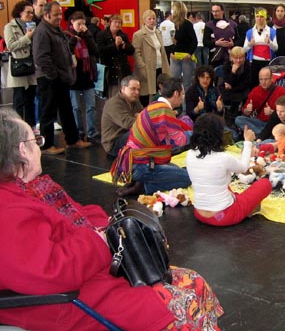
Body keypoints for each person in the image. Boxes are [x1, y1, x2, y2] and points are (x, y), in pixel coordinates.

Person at [0, 108, 223, 330]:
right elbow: (49, 272)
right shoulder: (8, 209)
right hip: (69, 301)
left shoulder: (34, 187)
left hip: (90, 276)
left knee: (196, 282)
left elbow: (80, 213)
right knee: (182, 305)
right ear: (22, 150)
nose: (40, 146)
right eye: (36, 140)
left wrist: (104, 229)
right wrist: (99, 239)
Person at [187, 113, 272, 227]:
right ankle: (246, 209)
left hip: (200, 213)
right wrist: (247, 142)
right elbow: (243, 167)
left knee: (219, 183)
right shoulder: (223, 158)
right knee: (265, 183)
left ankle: (244, 206)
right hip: (224, 216)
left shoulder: (190, 155)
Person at [111, 77, 192, 196]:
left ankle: (138, 180)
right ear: (176, 93)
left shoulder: (152, 106)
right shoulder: (164, 110)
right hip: (143, 164)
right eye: (182, 94)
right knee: (187, 178)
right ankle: (144, 186)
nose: (183, 97)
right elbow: (179, 141)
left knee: (175, 168)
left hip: (132, 161)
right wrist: (195, 133)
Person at [33, 1, 91, 155]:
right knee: (48, 112)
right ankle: (46, 145)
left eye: (60, 13)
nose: (59, 17)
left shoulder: (56, 30)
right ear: (46, 15)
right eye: (56, 14)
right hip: (49, 79)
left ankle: (72, 140)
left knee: (66, 110)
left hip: (62, 77)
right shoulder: (42, 32)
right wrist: (54, 75)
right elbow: (41, 58)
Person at [66, 11, 100, 142]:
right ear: (72, 23)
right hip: (74, 76)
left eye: (83, 24)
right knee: (76, 107)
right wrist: (73, 41)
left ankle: (92, 131)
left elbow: (95, 51)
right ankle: (79, 131)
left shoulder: (87, 36)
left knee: (91, 105)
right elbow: (66, 52)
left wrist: (88, 35)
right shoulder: (67, 35)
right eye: (78, 23)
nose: (81, 26)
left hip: (87, 74)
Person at [3, 0, 37, 128]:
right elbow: (11, 46)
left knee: (30, 100)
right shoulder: (9, 27)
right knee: (19, 100)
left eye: (32, 12)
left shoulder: (33, 26)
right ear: (20, 12)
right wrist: (27, 37)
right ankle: (17, 128)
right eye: (28, 12)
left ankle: (31, 127)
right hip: (19, 66)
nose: (30, 15)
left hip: (31, 66)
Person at [234, 67, 285, 135]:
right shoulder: (255, 91)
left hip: (274, 124)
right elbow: (245, 112)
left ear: (272, 78)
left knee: (280, 128)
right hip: (259, 123)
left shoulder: (282, 91)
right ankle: (263, 134)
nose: (263, 82)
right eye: (261, 79)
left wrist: (273, 113)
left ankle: (261, 134)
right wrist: (247, 110)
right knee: (238, 119)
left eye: (266, 79)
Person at [132, 9, 171, 107]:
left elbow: (162, 51)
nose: (152, 21)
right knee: (145, 93)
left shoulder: (158, 33)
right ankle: (143, 113)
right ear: (144, 20)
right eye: (149, 19)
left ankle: (155, 111)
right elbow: (136, 52)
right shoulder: (139, 35)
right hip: (146, 69)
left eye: (154, 18)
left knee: (158, 92)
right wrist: (142, 67)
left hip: (159, 68)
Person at [100, 75, 143, 158]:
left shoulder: (135, 101)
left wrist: (139, 117)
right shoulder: (114, 103)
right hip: (114, 143)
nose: (137, 92)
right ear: (123, 88)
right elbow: (127, 123)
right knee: (141, 129)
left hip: (125, 135)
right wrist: (138, 118)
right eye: (133, 89)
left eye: (138, 89)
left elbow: (143, 114)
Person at [96, 14, 135, 98]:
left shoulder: (123, 35)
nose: (117, 24)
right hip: (110, 70)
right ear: (110, 23)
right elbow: (100, 51)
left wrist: (124, 46)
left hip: (122, 69)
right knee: (112, 94)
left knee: (124, 92)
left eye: (119, 23)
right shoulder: (101, 35)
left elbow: (131, 50)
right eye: (115, 22)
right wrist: (115, 45)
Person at [170, 2, 197, 114]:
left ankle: (186, 109)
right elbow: (176, 42)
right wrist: (171, 51)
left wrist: (189, 54)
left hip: (186, 58)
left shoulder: (187, 24)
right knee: (174, 82)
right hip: (176, 56)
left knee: (186, 84)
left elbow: (194, 41)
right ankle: (175, 106)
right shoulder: (175, 24)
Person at [244, 8, 278, 88]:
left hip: (267, 63)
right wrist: (250, 44)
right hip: (253, 63)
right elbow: (244, 49)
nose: (259, 18)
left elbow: (275, 48)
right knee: (253, 85)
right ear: (255, 17)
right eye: (257, 16)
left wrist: (270, 43)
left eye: (262, 16)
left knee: (267, 85)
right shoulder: (250, 32)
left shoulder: (272, 31)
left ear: (265, 17)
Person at [219, 46, 252, 124]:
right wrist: (233, 72)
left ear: (244, 58)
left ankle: (237, 117)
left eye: (240, 58)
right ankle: (229, 117)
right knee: (227, 94)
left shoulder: (247, 65)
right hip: (229, 88)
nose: (238, 60)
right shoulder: (226, 64)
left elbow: (247, 82)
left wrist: (232, 87)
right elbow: (227, 82)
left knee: (241, 96)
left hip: (241, 88)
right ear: (231, 58)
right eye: (236, 58)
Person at [203, 3, 241, 67]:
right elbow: (205, 42)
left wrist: (233, 44)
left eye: (217, 11)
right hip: (214, 57)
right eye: (213, 11)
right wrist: (216, 43)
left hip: (231, 57)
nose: (215, 13)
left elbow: (239, 40)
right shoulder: (209, 25)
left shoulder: (232, 24)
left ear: (223, 11)